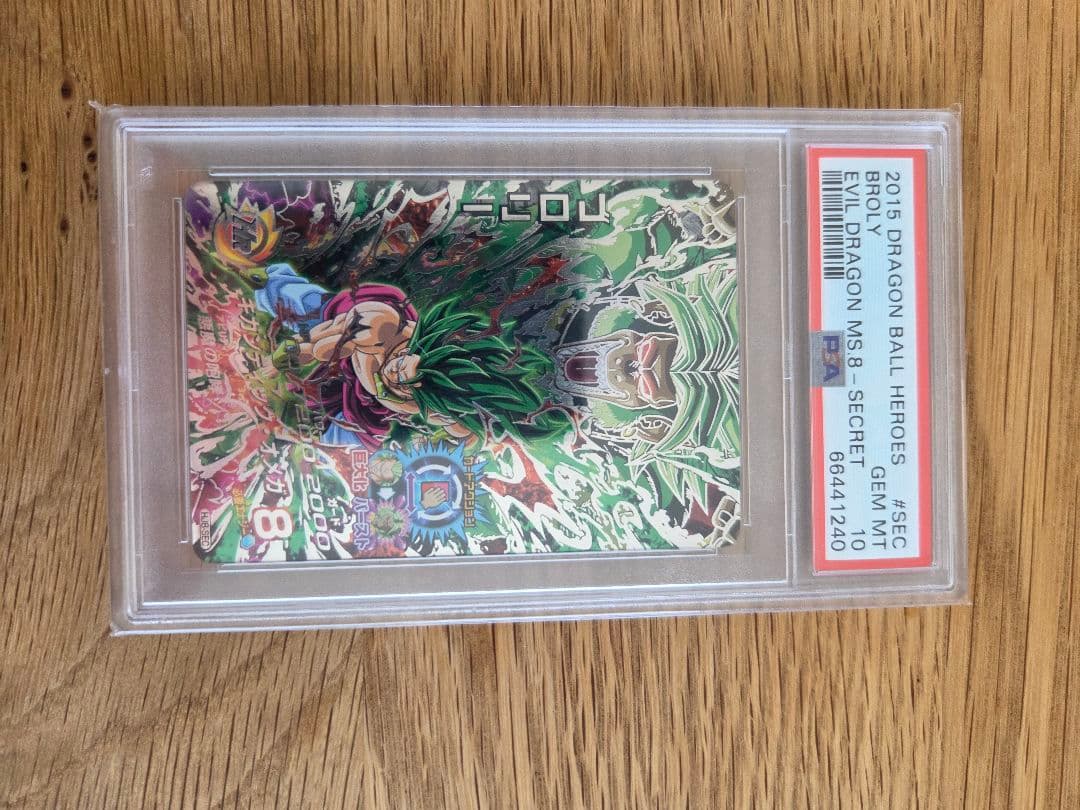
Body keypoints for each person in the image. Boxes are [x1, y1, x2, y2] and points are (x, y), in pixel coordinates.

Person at [255, 263, 568, 448]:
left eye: (407, 384)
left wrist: (447, 445)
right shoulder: (380, 327)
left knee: (327, 431)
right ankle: (266, 280)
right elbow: (318, 343)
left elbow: (467, 437)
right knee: (302, 306)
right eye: (404, 365)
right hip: (346, 337)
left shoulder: (436, 406)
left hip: (364, 407)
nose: (395, 374)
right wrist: (280, 360)